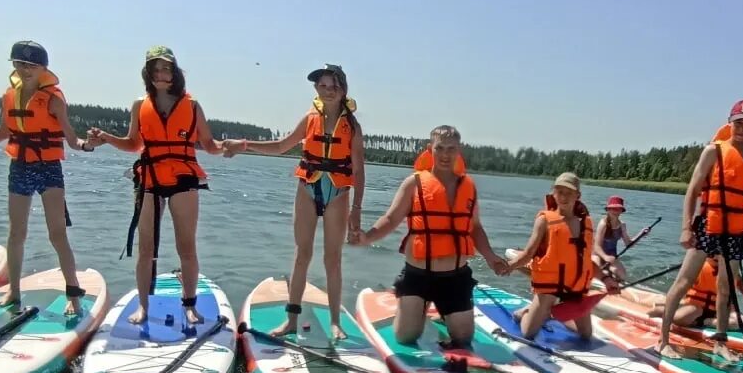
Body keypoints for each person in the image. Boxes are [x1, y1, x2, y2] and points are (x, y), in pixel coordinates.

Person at [0, 41, 94, 316]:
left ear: (43, 68)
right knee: (16, 232)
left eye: (31, 65)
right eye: (20, 64)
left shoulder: (54, 99)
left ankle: (73, 294)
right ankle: (13, 291)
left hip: (49, 167)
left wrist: (88, 144)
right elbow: (4, 130)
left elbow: (72, 139)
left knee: (57, 234)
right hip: (20, 166)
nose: (25, 69)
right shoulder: (9, 96)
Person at [223, 63, 364, 339]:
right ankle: (291, 320)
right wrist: (244, 145)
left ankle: (336, 322)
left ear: (343, 89)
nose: (328, 91)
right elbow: (280, 146)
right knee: (302, 254)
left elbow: (358, 169)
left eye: (333, 86)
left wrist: (357, 209)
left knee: (332, 259)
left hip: (338, 192)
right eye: (322, 86)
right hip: (308, 188)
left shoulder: (352, 127)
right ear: (316, 89)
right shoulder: (309, 119)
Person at [87, 46, 225, 328]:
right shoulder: (140, 105)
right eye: (156, 69)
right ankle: (143, 306)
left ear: (175, 73)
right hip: (149, 178)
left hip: (183, 179)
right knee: (145, 248)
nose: (161, 74)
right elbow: (133, 144)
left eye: (166, 68)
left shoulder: (193, 105)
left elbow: (210, 145)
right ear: (148, 73)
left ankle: (189, 305)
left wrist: (233, 147)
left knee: (186, 246)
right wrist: (107, 138)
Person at [354, 124, 511, 346]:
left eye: (451, 149)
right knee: (406, 337)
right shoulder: (414, 183)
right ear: (430, 149)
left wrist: (491, 257)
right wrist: (367, 237)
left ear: (459, 150)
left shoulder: (468, 187)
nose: (445, 154)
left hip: (455, 277)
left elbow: (474, 227)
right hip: (418, 274)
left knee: (463, 338)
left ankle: (442, 311)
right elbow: (391, 219)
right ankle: (410, 305)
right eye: (440, 148)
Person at [655, 99, 743, 352]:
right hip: (709, 224)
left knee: (725, 288)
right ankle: (662, 341)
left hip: (737, 230)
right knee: (683, 281)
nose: (742, 128)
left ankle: (720, 342)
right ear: (729, 123)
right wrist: (686, 227)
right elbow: (693, 190)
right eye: (738, 122)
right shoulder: (713, 151)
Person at [504, 172, 598, 340]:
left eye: (569, 193)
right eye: (560, 192)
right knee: (528, 333)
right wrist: (509, 266)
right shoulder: (544, 220)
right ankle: (526, 312)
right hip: (549, 287)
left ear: (578, 195)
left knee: (586, 335)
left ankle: (550, 314)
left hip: (575, 287)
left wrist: (608, 279)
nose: (563, 197)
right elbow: (528, 253)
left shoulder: (586, 223)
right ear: (553, 193)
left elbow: (587, 260)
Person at [593, 194, 635, 283]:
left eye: (618, 209)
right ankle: (607, 274)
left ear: (621, 211)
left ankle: (610, 274)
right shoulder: (603, 224)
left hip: (612, 256)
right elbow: (597, 246)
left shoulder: (622, 225)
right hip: (598, 254)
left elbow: (628, 244)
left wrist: (642, 234)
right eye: (613, 208)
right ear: (608, 210)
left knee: (622, 276)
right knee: (596, 273)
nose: (615, 211)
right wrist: (605, 257)